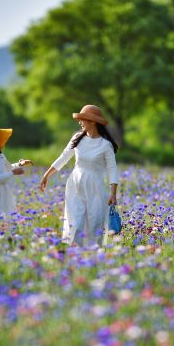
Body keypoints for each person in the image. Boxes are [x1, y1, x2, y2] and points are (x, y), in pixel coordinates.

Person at [39, 104, 119, 247]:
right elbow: (63, 157)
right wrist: (46, 175)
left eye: (83, 119)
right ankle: (74, 253)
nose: (80, 122)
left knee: (95, 221)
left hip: (95, 186)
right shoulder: (77, 138)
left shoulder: (105, 145)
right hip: (75, 184)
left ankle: (93, 255)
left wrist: (113, 194)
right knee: (75, 221)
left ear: (93, 122)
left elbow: (112, 169)